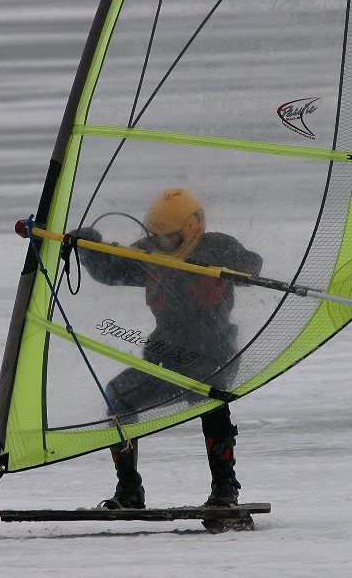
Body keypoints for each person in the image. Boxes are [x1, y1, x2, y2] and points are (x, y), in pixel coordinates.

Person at [72, 189, 262, 509]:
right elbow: (112, 271)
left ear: (192, 228)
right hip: (169, 356)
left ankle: (224, 492)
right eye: (156, 238)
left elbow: (252, 266)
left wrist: (214, 265)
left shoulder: (218, 246)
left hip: (215, 354)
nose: (162, 245)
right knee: (118, 397)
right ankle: (129, 492)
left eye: (170, 239)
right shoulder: (150, 253)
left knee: (211, 398)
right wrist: (89, 247)